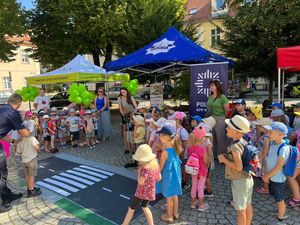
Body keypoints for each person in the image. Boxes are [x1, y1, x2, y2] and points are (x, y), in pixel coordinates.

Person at [218, 115, 253, 225]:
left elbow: (238, 167)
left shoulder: (235, 147)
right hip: (247, 179)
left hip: (240, 181)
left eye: (229, 127)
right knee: (247, 205)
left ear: (237, 132)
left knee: (241, 210)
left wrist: (224, 160)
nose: (226, 128)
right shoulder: (243, 141)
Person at [0, 94, 30, 213]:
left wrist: (13, 141)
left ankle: (6, 195)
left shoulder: (2, 108)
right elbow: (24, 133)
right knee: (1, 174)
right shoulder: (13, 112)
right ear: (18, 104)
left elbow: (1, 133)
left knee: (3, 171)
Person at [121, 144, 161, 225]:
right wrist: (150, 181)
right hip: (150, 192)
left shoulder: (144, 168)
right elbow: (159, 178)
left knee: (131, 208)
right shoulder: (155, 164)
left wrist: (139, 171)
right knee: (145, 207)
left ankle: (124, 224)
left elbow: (140, 182)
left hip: (141, 193)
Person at [262, 122, 290, 225]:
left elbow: (278, 166)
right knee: (276, 196)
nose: (268, 134)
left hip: (278, 179)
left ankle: (281, 218)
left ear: (281, 134)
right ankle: (279, 211)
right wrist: (267, 174)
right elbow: (269, 159)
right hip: (272, 177)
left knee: (280, 199)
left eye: (271, 132)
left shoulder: (284, 148)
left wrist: (266, 176)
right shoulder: (273, 144)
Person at [156, 125, 182, 223]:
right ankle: (176, 213)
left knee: (169, 197)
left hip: (168, 176)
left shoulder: (165, 152)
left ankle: (169, 216)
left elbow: (160, 167)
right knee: (175, 195)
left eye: (161, 136)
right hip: (176, 175)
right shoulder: (176, 147)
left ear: (166, 137)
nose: (159, 138)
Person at [187, 127, 209, 211]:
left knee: (194, 186)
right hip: (202, 171)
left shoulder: (190, 147)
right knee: (200, 188)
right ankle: (201, 205)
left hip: (193, 171)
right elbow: (206, 161)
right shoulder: (203, 150)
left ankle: (192, 202)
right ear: (201, 138)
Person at [16, 123, 41, 198]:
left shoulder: (19, 141)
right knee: (32, 176)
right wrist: (38, 149)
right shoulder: (32, 138)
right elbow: (37, 148)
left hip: (24, 161)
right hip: (32, 160)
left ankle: (29, 187)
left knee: (27, 175)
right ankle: (31, 191)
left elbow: (19, 152)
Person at [206, 80, 229, 156]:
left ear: (217, 86)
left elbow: (227, 110)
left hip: (220, 119)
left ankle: (221, 156)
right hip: (211, 119)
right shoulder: (210, 97)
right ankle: (214, 155)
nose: (211, 87)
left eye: (212, 85)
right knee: (212, 137)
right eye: (210, 86)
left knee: (220, 138)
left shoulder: (222, 97)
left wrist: (222, 118)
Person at [118, 88, 137, 153]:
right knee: (125, 130)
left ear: (127, 92)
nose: (123, 93)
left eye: (124, 92)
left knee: (131, 130)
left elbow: (136, 107)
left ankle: (133, 146)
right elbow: (120, 108)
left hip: (132, 115)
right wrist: (124, 116)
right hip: (125, 115)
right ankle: (126, 146)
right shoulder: (120, 98)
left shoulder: (131, 97)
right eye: (122, 92)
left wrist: (132, 115)